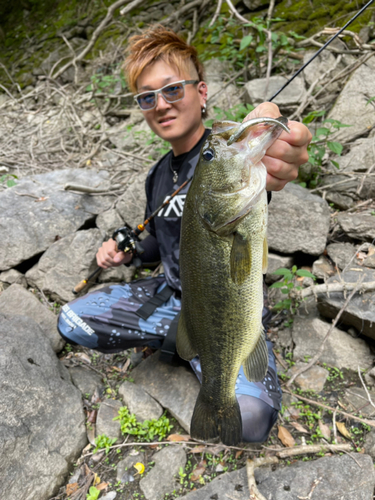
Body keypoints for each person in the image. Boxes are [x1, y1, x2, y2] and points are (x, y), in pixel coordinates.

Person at [58, 26, 312, 443]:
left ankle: (203, 350)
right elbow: (160, 241)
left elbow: (263, 180)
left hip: (225, 307)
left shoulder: (233, 161)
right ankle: (181, 340)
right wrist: (131, 255)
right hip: (174, 292)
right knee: (73, 322)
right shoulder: (158, 175)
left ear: (202, 92)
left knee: (248, 420)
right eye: (147, 97)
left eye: (173, 89)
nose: (161, 104)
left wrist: (273, 150)